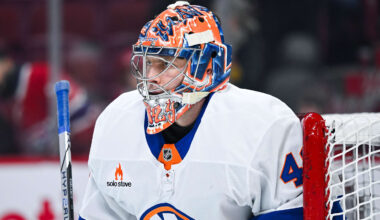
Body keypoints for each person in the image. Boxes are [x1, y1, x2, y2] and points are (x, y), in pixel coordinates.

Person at [79, 1, 303, 219]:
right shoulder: (116, 120)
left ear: (206, 65)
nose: (150, 78)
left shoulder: (263, 125)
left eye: (166, 63)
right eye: (148, 62)